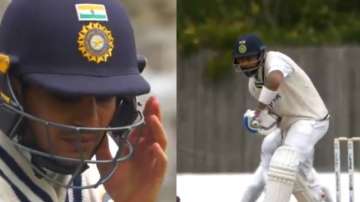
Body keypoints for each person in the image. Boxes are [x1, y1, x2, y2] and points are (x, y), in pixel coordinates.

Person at [0, 0, 167, 201]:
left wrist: (135, 198)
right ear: (11, 89)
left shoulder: (106, 172)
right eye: (67, 96)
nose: (91, 120)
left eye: (105, 96)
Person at [233, 34, 331, 202]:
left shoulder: (275, 59)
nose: (246, 63)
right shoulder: (253, 86)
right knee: (277, 159)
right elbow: (276, 118)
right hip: (289, 127)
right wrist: (259, 122)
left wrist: (259, 109)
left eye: (250, 58)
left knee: (283, 160)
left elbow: (275, 79)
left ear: (262, 54)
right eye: (242, 60)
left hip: (311, 120)